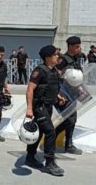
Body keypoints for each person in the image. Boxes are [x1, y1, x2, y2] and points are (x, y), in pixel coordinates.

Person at [25, 45, 67, 176]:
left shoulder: (53, 71)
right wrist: (29, 108)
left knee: (40, 132)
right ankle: (49, 163)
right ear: (48, 57)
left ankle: (30, 157)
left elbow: (52, 87)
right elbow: (30, 89)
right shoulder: (39, 71)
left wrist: (58, 97)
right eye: (55, 55)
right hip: (39, 107)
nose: (57, 57)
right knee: (50, 132)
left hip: (48, 106)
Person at [54, 36, 83, 155]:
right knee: (68, 120)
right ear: (70, 46)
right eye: (77, 46)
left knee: (72, 120)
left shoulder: (75, 59)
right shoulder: (63, 60)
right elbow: (55, 75)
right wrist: (58, 94)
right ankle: (54, 140)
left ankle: (68, 144)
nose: (79, 48)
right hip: (64, 95)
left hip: (73, 94)